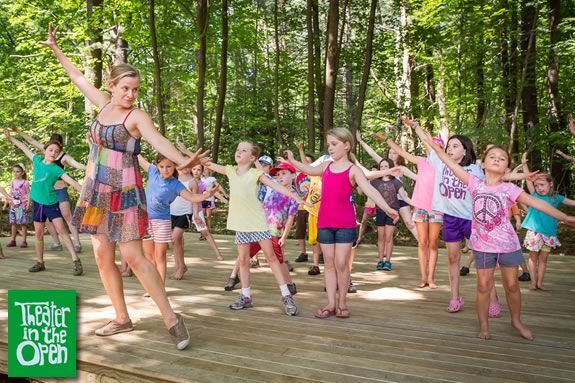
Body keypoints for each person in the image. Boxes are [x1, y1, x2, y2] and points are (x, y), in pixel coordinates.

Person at [41, 23, 205, 349]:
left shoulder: (137, 117)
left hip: (126, 191)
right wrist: (56, 49)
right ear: (112, 86)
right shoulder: (102, 104)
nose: (131, 94)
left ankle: (172, 318)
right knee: (102, 257)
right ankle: (121, 317)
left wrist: (182, 161)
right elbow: (77, 78)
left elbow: (159, 139)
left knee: (136, 257)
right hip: (97, 190)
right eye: (126, 88)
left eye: (135, 90)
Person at [427, 138, 575, 340]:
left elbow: (537, 204)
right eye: (492, 157)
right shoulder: (474, 183)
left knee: (512, 285)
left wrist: (565, 218)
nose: (497, 160)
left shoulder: (510, 189)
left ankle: (516, 321)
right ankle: (484, 326)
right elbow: (448, 161)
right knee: (483, 286)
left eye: (502, 158)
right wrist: (433, 144)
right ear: (484, 163)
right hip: (483, 245)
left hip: (507, 245)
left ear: (507, 169)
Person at [285, 128, 399, 319]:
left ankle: (343, 303)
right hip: (325, 222)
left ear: (347, 145)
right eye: (329, 144)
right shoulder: (326, 166)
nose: (330, 148)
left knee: (341, 263)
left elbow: (370, 191)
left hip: (345, 223)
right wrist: (292, 160)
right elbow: (309, 170)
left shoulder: (353, 170)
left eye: (334, 144)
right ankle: (330, 302)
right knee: (329, 264)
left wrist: (387, 208)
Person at [205, 140, 306, 315]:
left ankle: (286, 295)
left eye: (244, 150)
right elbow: (207, 164)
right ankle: (246, 297)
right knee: (243, 261)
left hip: (258, 222)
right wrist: (189, 158)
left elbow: (276, 186)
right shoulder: (230, 170)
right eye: (238, 149)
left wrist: (295, 197)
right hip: (240, 224)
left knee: (271, 257)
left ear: (252, 157)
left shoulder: (256, 173)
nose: (239, 152)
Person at [406, 118, 484, 313]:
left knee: (482, 260)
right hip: (450, 218)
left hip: (471, 219)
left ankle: (492, 297)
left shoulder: (475, 170)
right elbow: (428, 142)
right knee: (452, 259)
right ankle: (455, 298)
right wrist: (416, 127)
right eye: (448, 146)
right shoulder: (440, 164)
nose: (450, 149)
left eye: (455, 146)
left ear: (465, 150)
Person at [5, 130, 83, 274]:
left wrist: (86, 194)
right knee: (39, 234)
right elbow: (24, 147)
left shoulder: (56, 169)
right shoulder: (37, 161)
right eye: (51, 150)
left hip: (51, 204)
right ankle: (40, 262)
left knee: (62, 231)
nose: (53, 153)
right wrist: (11, 138)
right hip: (38, 204)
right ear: (45, 150)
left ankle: (76, 260)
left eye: (57, 151)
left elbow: (73, 182)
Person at [140, 155, 217, 286]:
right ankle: (151, 287)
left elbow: (192, 197)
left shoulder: (175, 184)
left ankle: (160, 287)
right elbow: (137, 156)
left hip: (161, 222)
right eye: (161, 166)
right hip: (146, 220)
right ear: (157, 166)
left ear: (175, 166)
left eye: (169, 166)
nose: (165, 170)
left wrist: (207, 195)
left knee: (159, 256)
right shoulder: (153, 171)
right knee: (148, 257)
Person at [224, 162, 299, 293]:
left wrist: (285, 236)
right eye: (278, 174)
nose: (280, 176)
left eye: (284, 174)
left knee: (278, 259)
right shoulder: (272, 186)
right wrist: (254, 160)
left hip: (274, 231)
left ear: (293, 175)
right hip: (257, 226)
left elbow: (291, 218)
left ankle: (289, 283)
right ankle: (233, 276)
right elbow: (262, 173)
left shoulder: (293, 196)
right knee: (244, 254)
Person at [521, 154, 575, 290]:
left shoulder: (556, 198)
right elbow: (528, 180)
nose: (539, 188)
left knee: (543, 259)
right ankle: (533, 282)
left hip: (549, 233)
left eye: (542, 185)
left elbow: (572, 203)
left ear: (550, 184)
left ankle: (540, 282)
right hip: (534, 232)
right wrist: (524, 164)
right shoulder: (534, 195)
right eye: (537, 185)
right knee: (533, 257)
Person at [357, 131, 418, 240]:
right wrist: (361, 141)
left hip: (401, 198)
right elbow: (372, 153)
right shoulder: (384, 164)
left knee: (410, 223)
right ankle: (384, 253)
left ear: (399, 154)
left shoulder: (402, 168)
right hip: (386, 201)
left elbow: (417, 178)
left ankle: (423, 244)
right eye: (390, 153)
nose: (391, 155)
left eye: (394, 153)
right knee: (384, 228)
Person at [371, 158, 412, 271]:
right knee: (381, 237)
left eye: (386, 166)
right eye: (381, 167)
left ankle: (388, 261)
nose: (383, 168)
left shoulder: (396, 182)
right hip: (380, 211)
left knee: (388, 237)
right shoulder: (375, 181)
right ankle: (380, 260)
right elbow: (364, 186)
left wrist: (415, 204)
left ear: (391, 167)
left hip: (392, 212)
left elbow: (404, 196)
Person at [189, 164, 224, 261]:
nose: (196, 171)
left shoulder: (202, 183)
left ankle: (218, 253)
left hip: (197, 210)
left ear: (202, 172)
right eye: (194, 169)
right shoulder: (187, 181)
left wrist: (220, 196)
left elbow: (211, 191)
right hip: (184, 210)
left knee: (205, 232)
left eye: (199, 170)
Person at [6, 164, 30, 248]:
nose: (15, 173)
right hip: (13, 206)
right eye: (14, 171)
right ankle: (13, 240)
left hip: (22, 205)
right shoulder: (12, 182)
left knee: (23, 223)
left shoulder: (25, 182)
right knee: (13, 223)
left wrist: (28, 204)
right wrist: (7, 203)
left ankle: (24, 241)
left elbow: (28, 194)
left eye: (18, 171)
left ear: (22, 173)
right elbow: (10, 193)